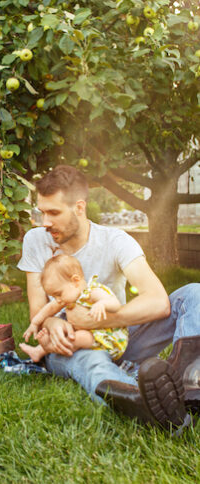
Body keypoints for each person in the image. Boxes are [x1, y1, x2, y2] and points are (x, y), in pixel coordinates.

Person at [17, 164, 199, 430]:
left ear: (79, 207)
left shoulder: (115, 241)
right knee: (91, 362)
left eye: (53, 212)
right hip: (71, 343)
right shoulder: (35, 241)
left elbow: (159, 302)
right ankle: (147, 405)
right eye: (42, 212)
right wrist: (52, 323)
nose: (45, 222)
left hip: (119, 337)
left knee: (193, 293)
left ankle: (188, 383)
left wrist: (99, 322)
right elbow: (38, 309)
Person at [20, 254, 126, 364]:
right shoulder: (67, 298)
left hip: (109, 340)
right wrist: (35, 323)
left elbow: (115, 304)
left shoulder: (92, 292)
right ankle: (39, 351)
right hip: (89, 336)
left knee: (80, 336)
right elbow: (49, 308)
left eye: (58, 294)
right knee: (64, 330)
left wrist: (102, 304)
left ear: (75, 281)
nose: (58, 300)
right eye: (54, 296)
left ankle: (52, 348)